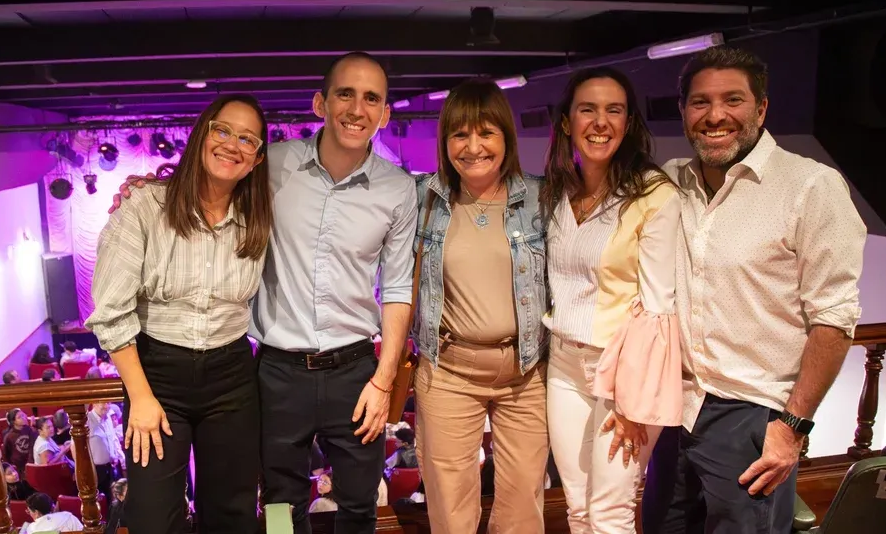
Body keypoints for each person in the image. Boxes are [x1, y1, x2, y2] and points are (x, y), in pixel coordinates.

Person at [110, 52, 417, 534]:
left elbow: (398, 286)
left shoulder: (399, 189)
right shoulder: (270, 164)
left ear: (385, 113)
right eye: (345, 93)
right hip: (277, 373)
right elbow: (208, 180)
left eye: (371, 98)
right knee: (279, 502)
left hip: (356, 370)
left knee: (360, 500)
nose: (357, 108)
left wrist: (384, 380)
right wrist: (148, 185)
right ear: (321, 102)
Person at [642, 46, 866, 534]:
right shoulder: (671, 181)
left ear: (761, 108)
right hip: (675, 405)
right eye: (700, 102)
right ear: (683, 111)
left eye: (733, 100)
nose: (715, 115)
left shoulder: (810, 186)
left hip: (752, 415)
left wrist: (792, 428)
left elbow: (834, 319)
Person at [86, 94, 273, 534]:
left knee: (233, 513)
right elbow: (111, 312)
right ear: (202, 133)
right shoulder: (145, 206)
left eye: (248, 139)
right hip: (157, 377)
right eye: (223, 130)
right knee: (152, 517)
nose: (233, 144)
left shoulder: (260, 216)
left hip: (231, 375)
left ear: (257, 158)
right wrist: (142, 396)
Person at [541, 66, 682, 534]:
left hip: (624, 373)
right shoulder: (559, 192)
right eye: (588, 109)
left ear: (628, 123)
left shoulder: (653, 194)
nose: (600, 122)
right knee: (578, 509)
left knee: (610, 513)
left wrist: (632, 402)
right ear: (566, 122)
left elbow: (660, 306)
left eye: (613, 110)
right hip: (563, 364)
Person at [410, 79, 550, 533]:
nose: (473, 147)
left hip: (526, 373)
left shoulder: (540, 198)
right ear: (444, 140)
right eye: (459, 135)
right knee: (450, 508)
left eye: (486, 133)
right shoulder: (424, 199)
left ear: (506, 137)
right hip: (448, 371)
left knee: (523, 505)